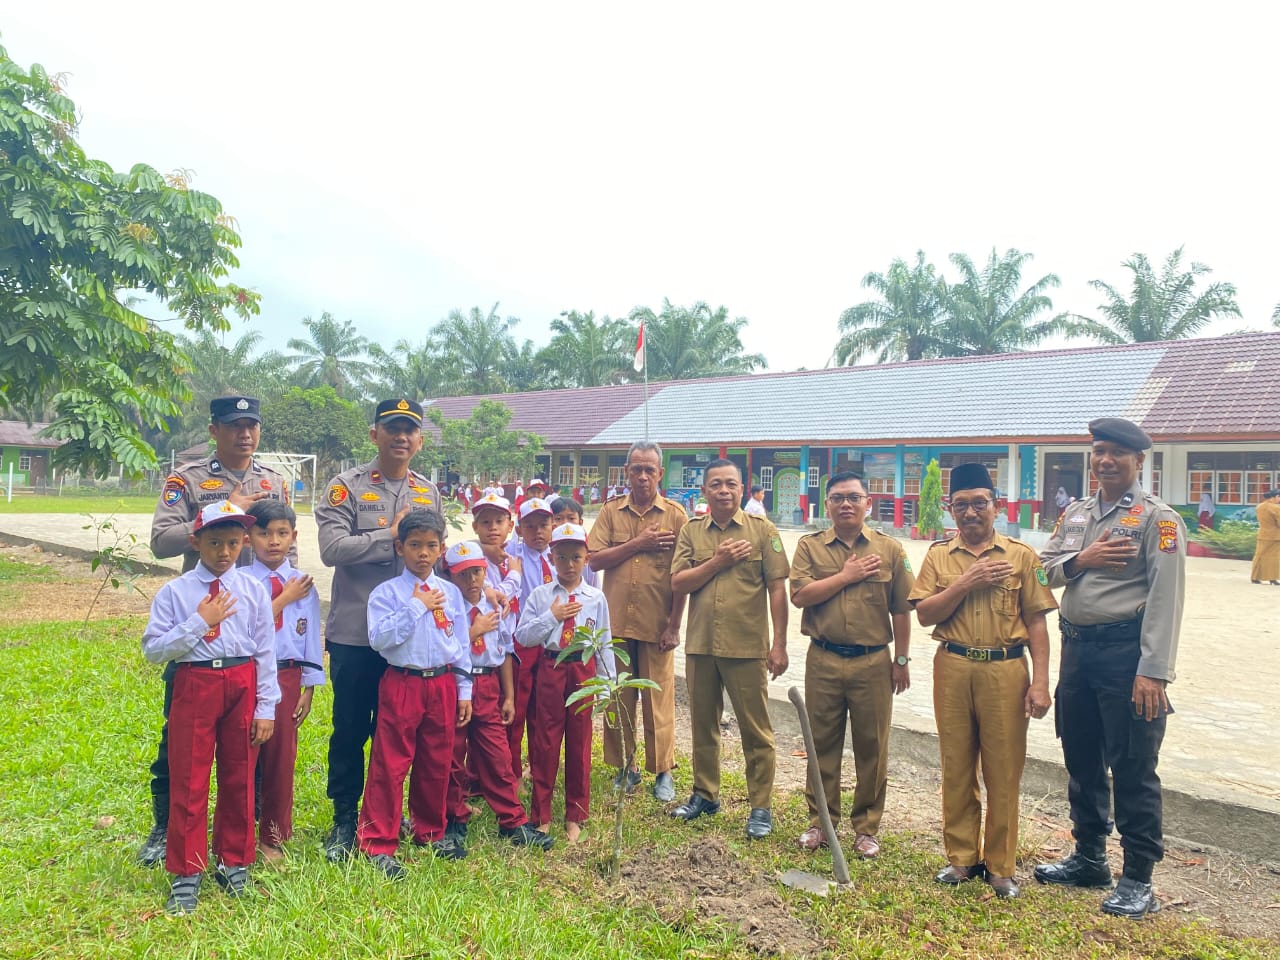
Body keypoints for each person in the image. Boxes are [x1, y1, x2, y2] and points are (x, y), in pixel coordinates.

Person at [1036, 418, 1186, 920]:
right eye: (1099, 451)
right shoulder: (1076, 514)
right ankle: (1089, 858)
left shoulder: (1157, 520)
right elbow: (1042, 571)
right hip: (1077, 652)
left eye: (1117, 453)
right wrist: (1084, 558)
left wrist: (1154, 671)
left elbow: (1167, 599)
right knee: (1080, 756)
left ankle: (1139, 878)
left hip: (1127, 660)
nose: (1105, 460)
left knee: (1133, 767)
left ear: (1139, 460)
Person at [138, 394, 292, 868]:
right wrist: (227, 505)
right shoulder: (187, 479)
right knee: (179, 736)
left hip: (255, 620)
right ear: (214, 430)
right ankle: (165, 831)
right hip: (199, 620)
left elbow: (285, 542)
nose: (244, 434)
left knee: (248, 739)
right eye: (233, 425)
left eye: (252, 425)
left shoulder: (274, 481)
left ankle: (245, 833)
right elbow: (162, 541)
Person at [909, 463, 1056, 899]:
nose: (970, 513)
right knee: (956, 766)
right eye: (961, 506)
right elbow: (924, 614)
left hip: (1006, 669)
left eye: (979, 504)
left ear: (997, 506)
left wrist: (1041, 681)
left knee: (1004, 770)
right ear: (949, 509)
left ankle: (1001, 866)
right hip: (952, 666)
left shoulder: (1022, 556)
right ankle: (961, 860)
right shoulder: (939, 555)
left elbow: (1038, 623)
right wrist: (966, 583)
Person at [315, 398, 442, 863]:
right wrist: (386, 536)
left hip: (410, 640)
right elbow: (331, 550)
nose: (401, 437)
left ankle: (386, 816)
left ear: (420, 440)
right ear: (375, 435)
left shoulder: (428, 491)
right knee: (350, 727)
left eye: (410, 429)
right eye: (392, 428)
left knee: (399, 734)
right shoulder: (344, 488)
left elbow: (437, 556)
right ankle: (345, 818)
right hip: (357, 633)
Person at [141, 501, 278, 914]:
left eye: (234, 543)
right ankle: (187, 870)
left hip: (242, 682)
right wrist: (201, 621)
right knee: (190, 777)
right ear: (195, 541)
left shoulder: (253, 589)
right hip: (195, 682)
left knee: (240, 775)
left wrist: (266, 706)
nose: (224, 552)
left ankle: (234, 860)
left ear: (245, 543)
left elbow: (265, 651)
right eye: (215, 542)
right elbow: (153, 649)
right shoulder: (177, 592)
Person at [790, 472, 914, 859]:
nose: (846, 504)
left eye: (854, 497)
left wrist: (902, 660)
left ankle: (867, 827)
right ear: (826, 504)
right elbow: (799, 595)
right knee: (821, 743)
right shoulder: (810, 547)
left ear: (868, 504)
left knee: (872, 746)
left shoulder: (891, 550)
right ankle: (821, 823)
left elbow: (902, 610)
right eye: (838, 497)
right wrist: (845, 576)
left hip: (873, 662)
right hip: (823, 657)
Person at [670, 459, 789, 839]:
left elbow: (777, 589)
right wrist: (718, 561)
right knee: (702, 724)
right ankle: (705, 794)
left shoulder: (762, 530)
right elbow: (679, 583)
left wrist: (780, 644)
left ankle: (760, 807)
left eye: (731, 484)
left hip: (746, 646)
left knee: (756, 731)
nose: (723, 490)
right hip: (701, 645)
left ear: (742, 489)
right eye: (716, 484)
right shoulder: (691, 532)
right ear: (704, 490)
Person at [358, 510, 471, 878]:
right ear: (399, 547)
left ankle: (430, 830)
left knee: (436, 760)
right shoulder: (387, 593)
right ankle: (378, 841)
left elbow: (461, 644)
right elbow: (380, 639)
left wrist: (464, 687)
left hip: (441, 683)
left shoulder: (451, 592)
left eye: (431, 545)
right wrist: (416, 606)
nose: (423, 553)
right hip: (402, 681)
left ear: (442, 549)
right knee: (391, 763)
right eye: (415, 545)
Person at [586, 441, 688, 802]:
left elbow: (683, 575)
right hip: (614, 624)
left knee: (658, 698)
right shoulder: (611, 512)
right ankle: (624, 767)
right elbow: (594, 559)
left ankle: (662, 771)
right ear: (626, 472)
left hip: (656, 623)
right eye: (636, 469)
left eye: (649, 470)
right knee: (618, 698)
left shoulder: (676, 515)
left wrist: (674, 625)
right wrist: (638, 543)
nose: (642, 476)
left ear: (660, 474)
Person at [442, 541, 553, 851]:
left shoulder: (495, 606)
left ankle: (512, 820)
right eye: (463, 575)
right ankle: (453, 816)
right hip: (457, 684)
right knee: (453, 753)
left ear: (485, 573)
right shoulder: (447, 610)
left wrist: (509, 696)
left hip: (489, 684)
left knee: (498, 754)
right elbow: (443, 649)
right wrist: (473, 631)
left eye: (476, 572)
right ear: (451, 577)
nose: (471, 580)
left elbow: (504, 652)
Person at [515, 522, 616, 843]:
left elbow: (603, 642)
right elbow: (522, 635)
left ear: (587, 559)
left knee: (580, 741)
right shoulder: (541, 595)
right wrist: (552, 616)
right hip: (551, 666)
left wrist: (607, 683)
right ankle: (541, 815)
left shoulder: (595, 598)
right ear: (551, 557)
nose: (569, 565)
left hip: (582, 668)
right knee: (544, 741)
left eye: (576, 557)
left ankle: (575, 815)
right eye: (562, 557)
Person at [244, 501, 324, 861]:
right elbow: (245, 630)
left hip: (289, 675)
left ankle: (273, 834)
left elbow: (310, 637)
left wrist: (309, 687)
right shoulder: (241, 581)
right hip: (250, 673)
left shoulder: (303, 583)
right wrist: (283, 598)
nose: (273, 541)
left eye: (281, 533)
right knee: (244, 756)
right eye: (264, 533)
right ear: (249, 538)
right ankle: (240, 832)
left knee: (280, 758)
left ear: (294, 536)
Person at [505, 496, 556, 780]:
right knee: (517, 712)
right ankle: (512, 774)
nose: (538, 532)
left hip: (551, 646)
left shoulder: (559, 557)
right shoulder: (513, 558)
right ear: (519, 529)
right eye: (530, 526)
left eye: (544, 525)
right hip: (521, 645)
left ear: (553, 525)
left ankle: (540, 770)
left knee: (544, 713)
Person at [550, 496, 599, 587]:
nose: (565, 523)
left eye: (571, 518)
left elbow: (594, 587)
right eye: (558, 519)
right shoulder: (545, 553)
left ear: (580, 523)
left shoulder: (584, 554)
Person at [1249, 488, 1280, 585]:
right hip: (1275, 536)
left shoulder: (1259, 506)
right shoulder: (1276, 508)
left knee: (1259, 556)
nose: (1279, 499)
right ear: (1273, 497)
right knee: (1274, 557)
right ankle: (1272, 578)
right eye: (1278, 497)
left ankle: (1254, 577)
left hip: (1262, 534)